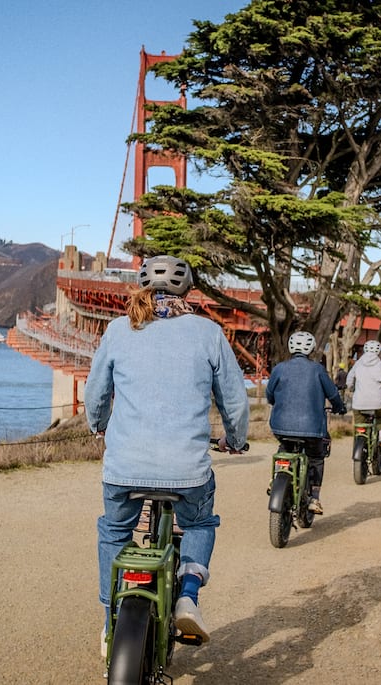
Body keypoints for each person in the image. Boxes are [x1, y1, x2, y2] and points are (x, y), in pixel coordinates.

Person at [84, 255, 250, 652]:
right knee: (199, 522)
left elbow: (95, 394)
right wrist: (235, 438)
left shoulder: (119, 329)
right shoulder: (208, 332)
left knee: (114, 531)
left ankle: (110, 621)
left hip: (124, 469)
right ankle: (188, 595)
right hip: (188, 472)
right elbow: (235, 402)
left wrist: (98, 423)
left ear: (143, 286)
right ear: (187, 290)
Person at [265, 331, 347, 515]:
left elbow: (269, 395)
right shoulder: (317, 369)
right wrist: (340, 408)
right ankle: (315, 498)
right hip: (312, 429)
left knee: (285, 445)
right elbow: (333, 394)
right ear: (311, 348)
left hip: (280, 425)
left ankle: (278, 475)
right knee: (316, 457)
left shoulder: (279, 368)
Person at [345, 340, 381, 445]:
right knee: (380, 416)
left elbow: (349, 380)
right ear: (379, 352)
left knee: (359, 424)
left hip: (359, 402)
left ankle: (358, 441)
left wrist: (351, 388)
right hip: (377, 402)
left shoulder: (358, 364)